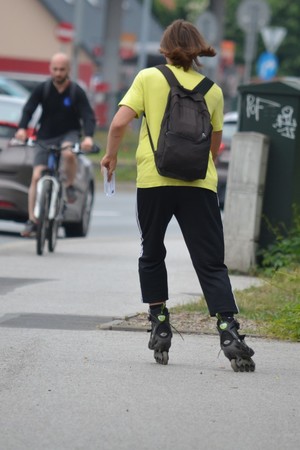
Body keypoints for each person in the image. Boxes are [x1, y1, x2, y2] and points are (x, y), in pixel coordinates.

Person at [100, 19, 255, 371]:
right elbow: (214, 146)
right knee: (211, 262)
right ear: (199, 47)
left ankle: (160, 323)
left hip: (154, 181)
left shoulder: (148, 78)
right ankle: (228, 330)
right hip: (199, 186)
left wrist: (110, 156)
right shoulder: (212, 90)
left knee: (152, 251)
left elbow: (119, 123)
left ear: (165, 47)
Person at [15, 52, 96, 237]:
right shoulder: (43, 89)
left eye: (62, 69)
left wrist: (89, 137)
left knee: (68, 154)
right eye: (55, 69)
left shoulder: (76, 91)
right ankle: (32, 220)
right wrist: (21, 128)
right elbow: (28, 109)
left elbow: (87, 115)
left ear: (68, 70)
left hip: (69, 133)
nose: (58, 73)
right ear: (50, 69)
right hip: (45, 135)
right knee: (36, 176)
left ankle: (67, 186)